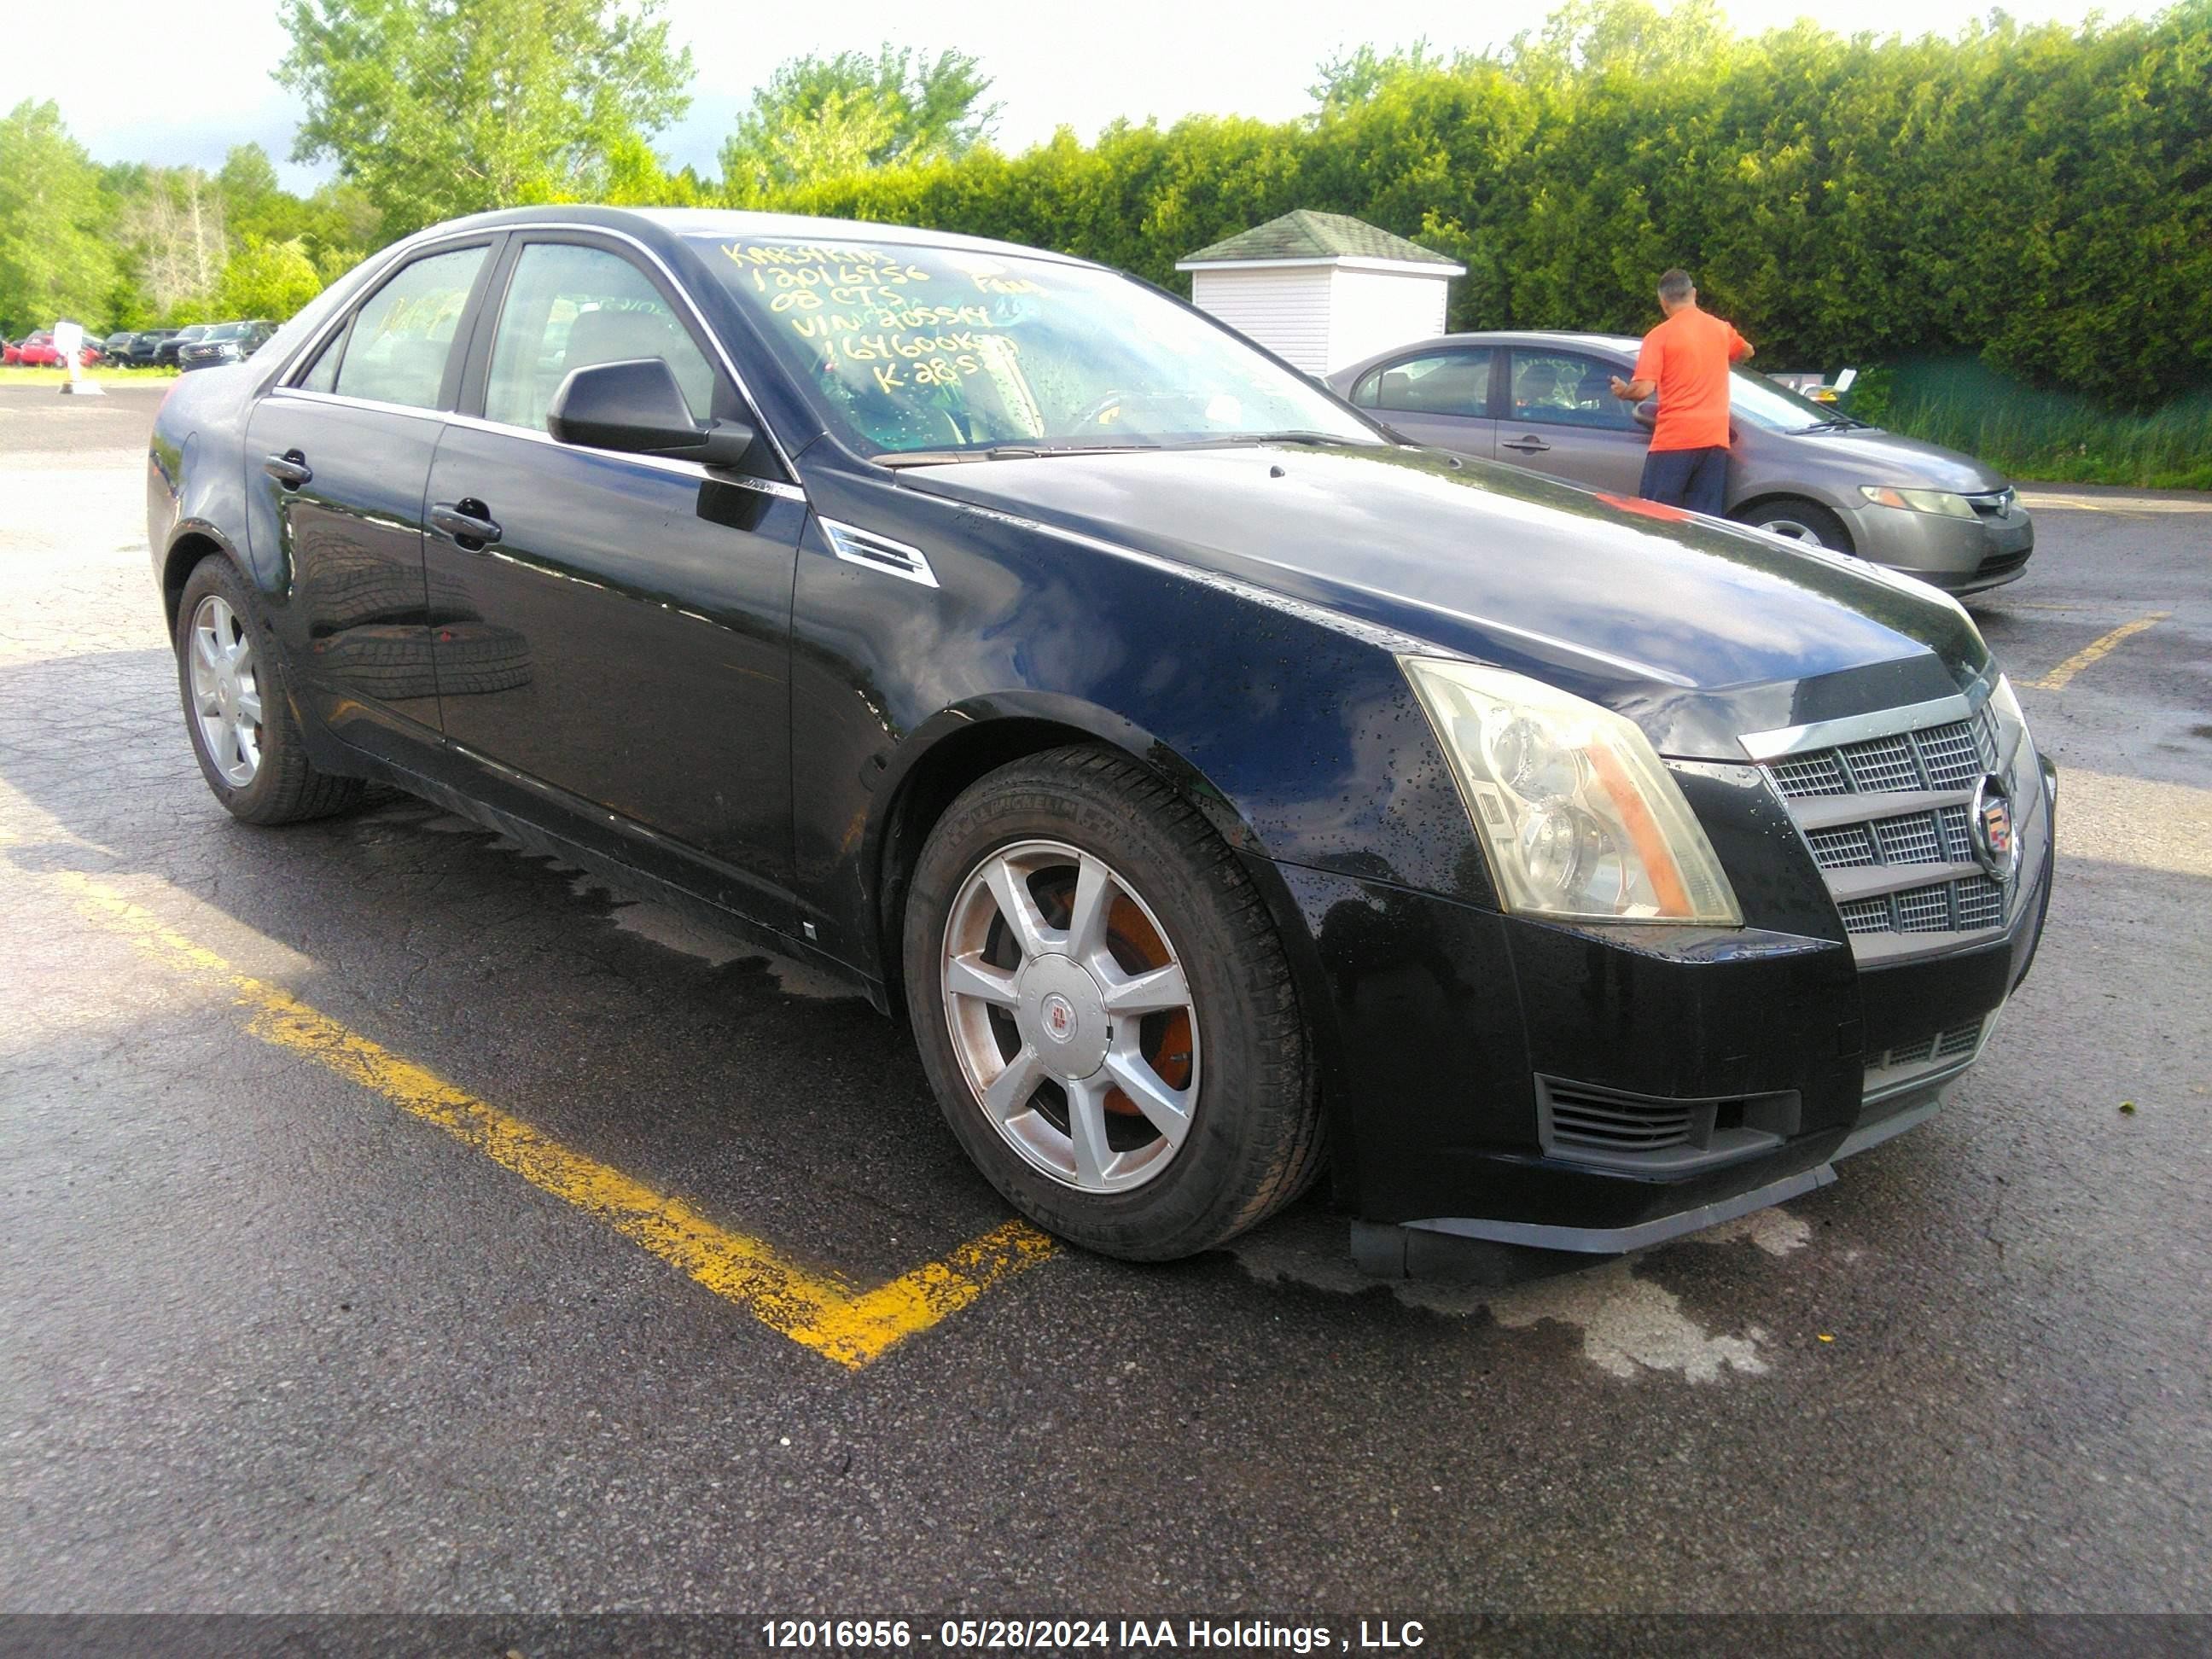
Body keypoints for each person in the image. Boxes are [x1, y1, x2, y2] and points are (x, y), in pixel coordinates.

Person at [1609, 269, 1753, 515]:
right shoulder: (1720, 329)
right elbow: (1748, 351)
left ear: (1663, 302)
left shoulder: (1660, 336)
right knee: (1704, 522)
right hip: (1714, 438)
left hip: (1674, 440)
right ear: (1693, 293)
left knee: (1655, 516)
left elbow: (1643, 389)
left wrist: (1623, 392)